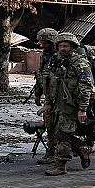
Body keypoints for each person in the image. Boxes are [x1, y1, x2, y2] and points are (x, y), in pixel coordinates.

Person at [42, 32, 95, 176]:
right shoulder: (54, 60)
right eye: (60, 46)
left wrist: (82, 109)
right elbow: (49, 82)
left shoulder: (80, 63)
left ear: (72, 47)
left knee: (63, 134)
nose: (62, 49)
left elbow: (85, 86)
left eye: (65, 46)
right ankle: (82, 149)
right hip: (56, 103)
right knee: (53, 131)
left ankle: (61, 165)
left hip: (71, 104)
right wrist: (47, 102)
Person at [33, 28, 59, 164]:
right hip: (49, 97)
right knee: (49, 124)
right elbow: (41, 76)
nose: (42, 45)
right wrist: (38, 94)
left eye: (44, 43)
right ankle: (52, 151)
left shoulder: (60, 56)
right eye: (41, 43)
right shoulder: (45, 55)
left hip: (61, 97)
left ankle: (61, 152)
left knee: (61, 126)